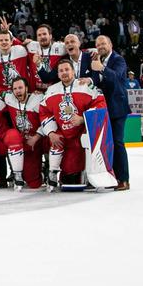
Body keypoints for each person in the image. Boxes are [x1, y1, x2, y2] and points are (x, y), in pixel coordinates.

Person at [39, 59, 107, 191]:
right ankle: (52, 173)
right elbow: (44, 112)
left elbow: (101, 105)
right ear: (58, 74)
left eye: (67, 69)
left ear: (73, 71)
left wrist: (83, 119)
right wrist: (51, 132)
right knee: (56, 145)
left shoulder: (86, 86)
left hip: (81, 136)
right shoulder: (51, 90)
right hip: (63, 135)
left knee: (74, 176)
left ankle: (90, 176)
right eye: (61, 71)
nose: (64, 73)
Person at [90, 35, 130, 190]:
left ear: (111, 44)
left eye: (103, 44)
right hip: (101, 109)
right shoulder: (96, 61)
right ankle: (111, 177)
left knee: (118, 142)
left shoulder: (118, 59)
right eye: (98, 44)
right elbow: (96, 82)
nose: (100, 47)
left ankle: (124, 179)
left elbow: (117, 78)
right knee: (107, 145)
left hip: (117, 108)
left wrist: (101, 67)